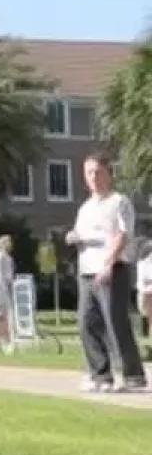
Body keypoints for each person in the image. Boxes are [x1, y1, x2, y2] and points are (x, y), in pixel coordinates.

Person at [67, 155, 147, 392]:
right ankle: (100, 374)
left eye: (98, 172)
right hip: (87, 271)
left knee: (115, 322)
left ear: (109, 174)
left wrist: (108, 264)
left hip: (112, 269)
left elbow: (122, 235)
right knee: (86, 323)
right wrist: (74, 237)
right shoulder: (85, 208)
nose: (93, 177)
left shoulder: (119, 202)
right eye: (89, 173)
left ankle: (133, 375)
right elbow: (82, 234)